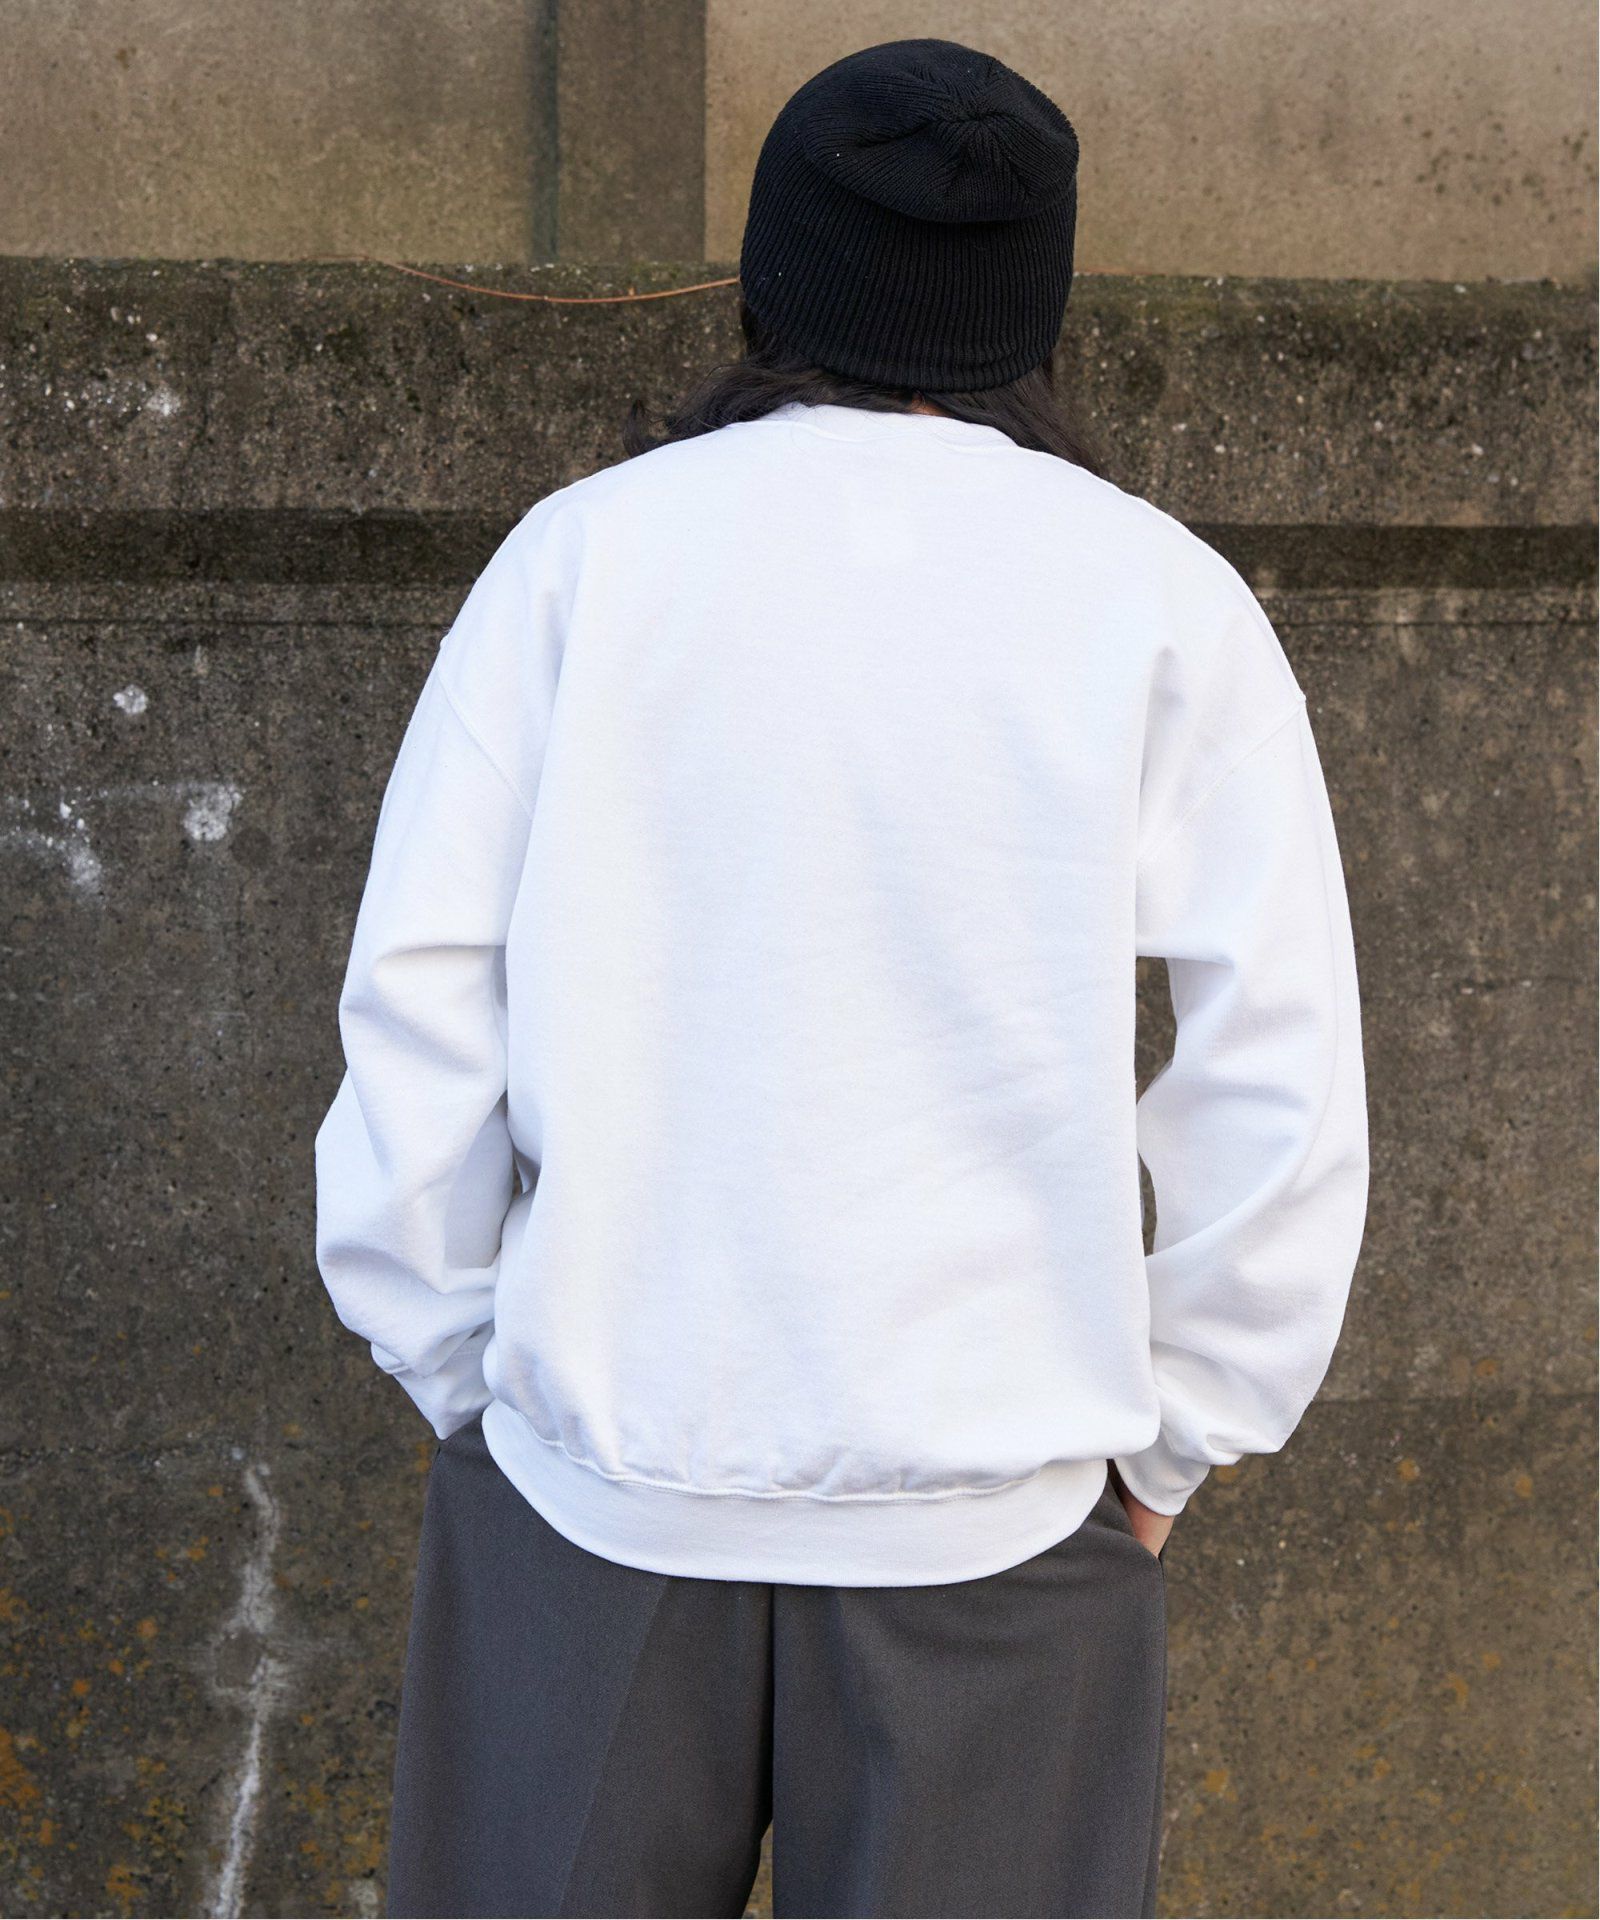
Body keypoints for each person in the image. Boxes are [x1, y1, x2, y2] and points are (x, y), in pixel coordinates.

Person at [314, 36, 1369, 1920]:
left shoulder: (584, 562)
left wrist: (466, 1366)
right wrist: (1173, 1444)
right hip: (1002, 1531)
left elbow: (419, 1003)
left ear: (774, 271)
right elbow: (1279, 1076)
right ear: (1030, 301)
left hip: (590, 1493)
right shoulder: (1159, 598)